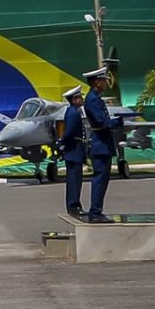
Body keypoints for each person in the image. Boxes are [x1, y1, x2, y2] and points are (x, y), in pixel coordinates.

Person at [83, 67, 118, 223]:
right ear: (97, 82)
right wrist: (117, 122)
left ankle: (97, 210)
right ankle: (95, 212)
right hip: (100, 143)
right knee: (100, 179)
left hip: (103, 142)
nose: (105, 83)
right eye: (104, 80)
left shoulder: (95, 97)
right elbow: (100, 122)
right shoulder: (92, 99)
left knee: (103, 180)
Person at [59, 84, 89, 219]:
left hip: (75, 149)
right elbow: (69, 132)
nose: (81, 99)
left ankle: (74, 204)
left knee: (75, 179)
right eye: (79, 97)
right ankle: (73, 205)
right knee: (74, 180)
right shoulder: (73, 113)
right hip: (74, 149)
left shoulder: (74, 111)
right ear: (74, 99)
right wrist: (62, 143)